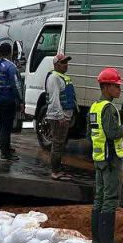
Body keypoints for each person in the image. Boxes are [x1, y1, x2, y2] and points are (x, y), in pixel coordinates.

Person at [89, 68, 123, 243]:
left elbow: (93, 134)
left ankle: (96, 240)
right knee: (110, 199)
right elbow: (112, 133)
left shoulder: (95, 106)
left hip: (99, 158)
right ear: (106, 87)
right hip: (111, 160)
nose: (119, 89)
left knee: (99, 198)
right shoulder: (109, 108)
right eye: (116, 86)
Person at [45, 52, 76, 180]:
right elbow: (54, 100)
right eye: (63, 62)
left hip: (64, 116)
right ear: (56, 64)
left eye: (66, 62)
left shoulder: (61, 77)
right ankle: (55, 171)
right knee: (57, 144)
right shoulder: (54, 78)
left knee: (60, 144)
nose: (65, 65)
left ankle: (58, 168)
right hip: (59, 118)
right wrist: (60, 117)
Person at [0, 42, 22, 161]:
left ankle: (4, 148)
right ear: (10, 52)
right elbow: (16, 85)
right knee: (6, 127)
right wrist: (21, 100)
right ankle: (5, 153)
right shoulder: (11, 66)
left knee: (1, 124)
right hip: (8, 100)